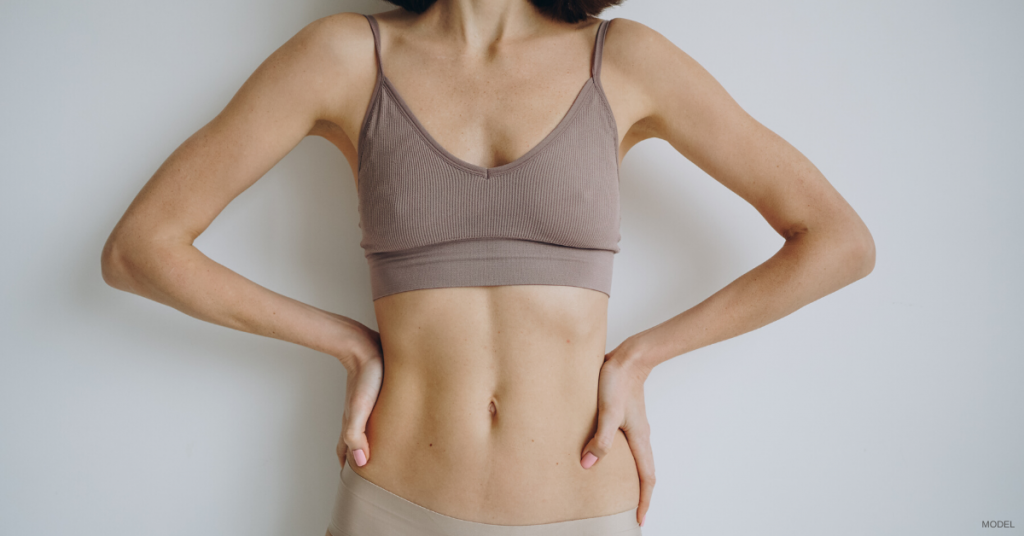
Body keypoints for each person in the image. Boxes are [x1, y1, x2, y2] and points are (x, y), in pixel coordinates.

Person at [100, 0, 876, 534]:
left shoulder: (626, 58)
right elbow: (142, 249)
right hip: (395, 506)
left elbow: (837, 239)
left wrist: (642, 357)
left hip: (583, 508)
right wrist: (347, 342)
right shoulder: (344, 53)